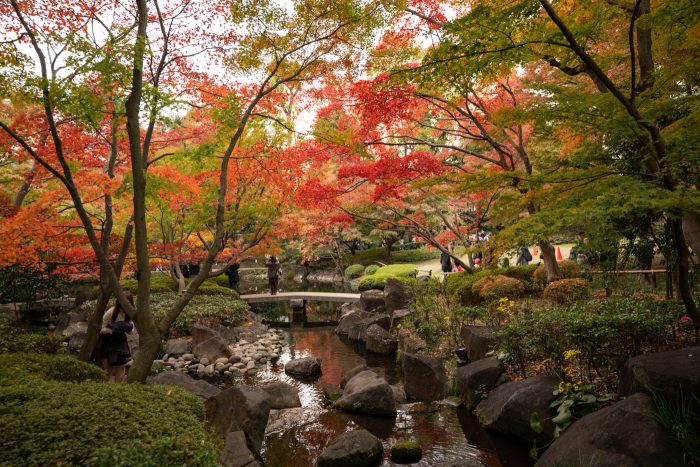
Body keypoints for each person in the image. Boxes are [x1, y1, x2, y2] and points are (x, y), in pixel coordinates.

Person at [99, 292, 134, 383]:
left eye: (128, 302)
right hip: (107, 341)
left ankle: (117, 389)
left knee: (121, 367)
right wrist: (112, 330)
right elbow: (100, 329)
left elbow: (131, 332)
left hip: (120, 342)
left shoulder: (129, 313)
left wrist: (125, 327)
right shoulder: (111, 312)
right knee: (107, 370)